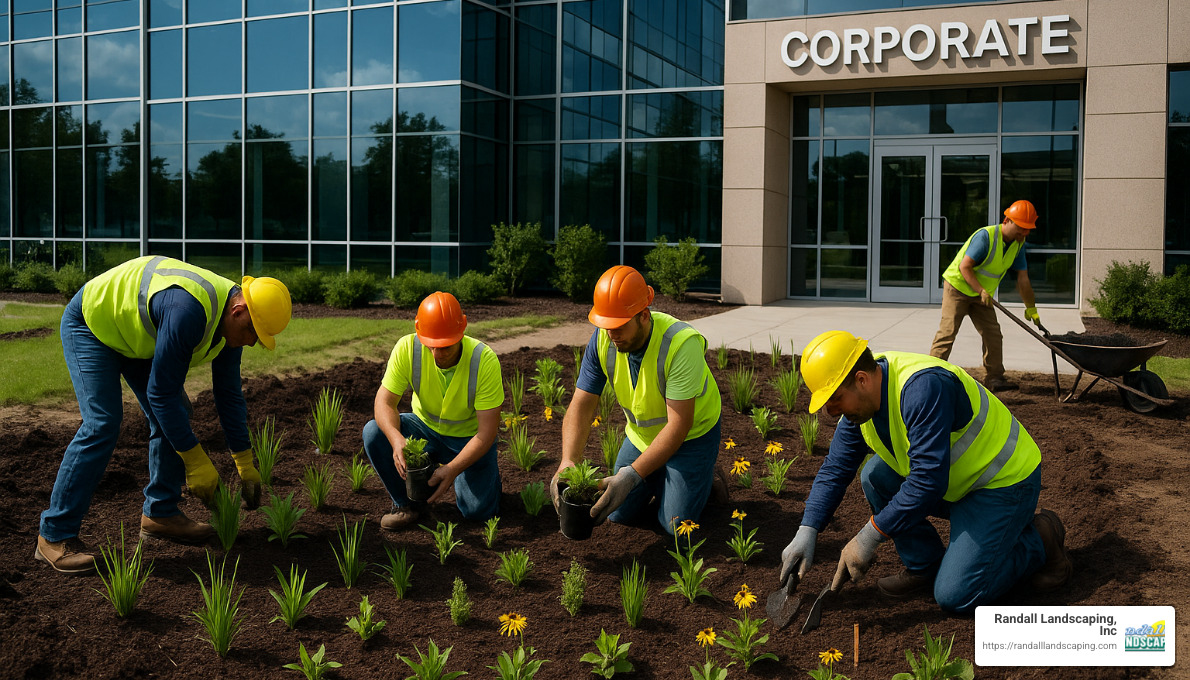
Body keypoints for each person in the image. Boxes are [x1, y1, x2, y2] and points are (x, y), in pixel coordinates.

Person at [778, 330, 1072, 614]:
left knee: (957, 595)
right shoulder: (862, 402)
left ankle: (1041, 538)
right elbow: (835, 468)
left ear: (861, 379)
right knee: (875, 476)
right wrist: (808, 529)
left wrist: (869, 536)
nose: (830, 412)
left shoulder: (924, 388)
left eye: (834, 399)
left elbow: (927, 481)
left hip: (1002, 483)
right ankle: (924, 567)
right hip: (955, 480)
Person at [36, 255, 292, 575]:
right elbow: (161, 394)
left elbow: (228, 394)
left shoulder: (232, 319)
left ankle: (161, 512)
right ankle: (54, 535)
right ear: (239, 311)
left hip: (136, 335)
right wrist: (195, 461)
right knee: (102, 423)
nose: (252, 342)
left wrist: (244, 462)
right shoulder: (189, 311)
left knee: (176, 413)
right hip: (92, 325)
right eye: (253, 333)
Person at [549, 265, 723, 534]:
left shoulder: (680, 344)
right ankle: (659, 475)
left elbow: (679, 425)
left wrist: (631, 475)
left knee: (675, 526)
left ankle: (707, 479)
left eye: (619, 326)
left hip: (691, 438)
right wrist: (568, 460)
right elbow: (581, 405)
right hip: (643, 438)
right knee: (618, 513)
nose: (611, 334)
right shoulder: (604, 339)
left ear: (643, 315)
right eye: (606, 325)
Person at [362, 291, 502, 528]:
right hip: (423, 431)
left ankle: (488, 482)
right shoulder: (407, 348)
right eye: (431, 345)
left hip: (469, 440)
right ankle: (407, 505)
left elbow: (487, 433)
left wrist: (452, 470)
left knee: (477, 512)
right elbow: (384, 403)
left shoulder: (483, 360)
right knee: (374, 432)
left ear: (462, 330)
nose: (437, 354)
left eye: (445, 346)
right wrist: (396, 440)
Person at [929, 199, 1043, 392]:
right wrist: (981, 290)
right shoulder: (986, 237)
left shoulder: (1018, 244)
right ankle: (929, 375)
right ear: (1007, 221)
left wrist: (1031, 307)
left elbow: (1023, 279)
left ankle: (995, 377)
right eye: (1021, 227)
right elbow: (964, 267)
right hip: (957, 288)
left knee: (993, 334)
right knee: (947, 332)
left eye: (1028, 229)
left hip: (981, 294)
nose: (1024, 232)